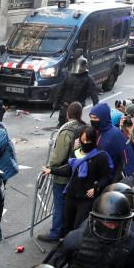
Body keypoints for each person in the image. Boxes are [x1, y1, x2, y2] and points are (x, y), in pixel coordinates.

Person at [42, 125, 114, 234]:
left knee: (79, 227)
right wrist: (51, 171)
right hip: (71, 195)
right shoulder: (75, 153)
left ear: (93, 140)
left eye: (88, 140)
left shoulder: (101, 156)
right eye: (83, 140)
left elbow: (107, 176)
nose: (85, 143)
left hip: (86, 199)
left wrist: (97, 187)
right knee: (67, 225)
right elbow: (69, 170)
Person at [39, 101, 85, 242]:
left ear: (68, 114)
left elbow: (58, 156)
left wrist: (50, 168)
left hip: (63, 174)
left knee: (59, 204)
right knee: (68, 204)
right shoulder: (83, 127)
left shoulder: (67, 131)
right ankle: (66, 230)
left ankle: (56, 232)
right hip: (78, 174)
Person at [56, 57, 99, 126]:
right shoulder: (69, 76)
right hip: (66, 105)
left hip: (77, 106)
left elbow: (94, 96)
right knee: (62, 123)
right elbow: (61, 90)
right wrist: (56, 103)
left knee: (74, 124)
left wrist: (96, 109)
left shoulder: (88, 79)